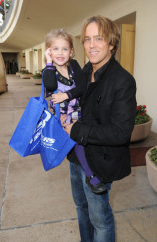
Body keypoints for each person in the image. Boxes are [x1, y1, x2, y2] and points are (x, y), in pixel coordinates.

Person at [63, 16, 136, 242]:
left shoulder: (123, 81)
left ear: (112, 43)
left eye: (98, 38)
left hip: (100, 163)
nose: (91, 45)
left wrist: (78, 130)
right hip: (76, 156)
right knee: (81, 207)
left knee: (100, 217)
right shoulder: (84, 71)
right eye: (87, 39)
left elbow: (120, 133)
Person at [42, 28, 107, 194]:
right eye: (55, 49)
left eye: (65, 49)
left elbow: (82, 87)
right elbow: (50, 85)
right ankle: (91, 175)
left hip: (78, 108)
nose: (60, 53)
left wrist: (66, 94)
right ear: (49, 50)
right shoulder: (49, 71)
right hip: (62, 114)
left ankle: (88, 167)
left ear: (71, 51)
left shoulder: (74, 66)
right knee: (77, 138)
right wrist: (49, 62)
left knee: (83, 137)